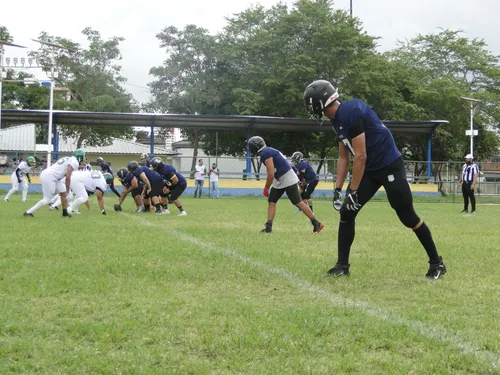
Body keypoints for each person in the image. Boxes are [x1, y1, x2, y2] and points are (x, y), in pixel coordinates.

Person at [304, 79, 446, 279]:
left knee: (407, 216)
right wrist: (338, 188)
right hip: (370, 169)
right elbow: (344, 156)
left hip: (388, 164)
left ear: (319, 103)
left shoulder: (350, 112)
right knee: (347, 212)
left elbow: (360, 156)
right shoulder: (337, 119)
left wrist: (352, 191)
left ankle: (437, 263)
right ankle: (342, 266)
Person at [247, 136, 324, 234]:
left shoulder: (265, 153)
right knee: (272, 201)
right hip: (281, 178)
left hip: (285, 177)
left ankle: (316, 223)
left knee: (297, 202)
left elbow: (270, 174)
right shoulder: (268, 150)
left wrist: (266, 188)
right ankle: (268, 227)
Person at [24, 149, 85, 217]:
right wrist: (68, 190)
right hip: (50, 176)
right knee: (48, 199)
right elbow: (68, 177)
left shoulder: (67, 158)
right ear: (80, 157)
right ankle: (28, 212)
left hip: (54, 176)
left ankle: (65, 213)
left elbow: (63, 173)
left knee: (63, 193)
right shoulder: (75, 162)